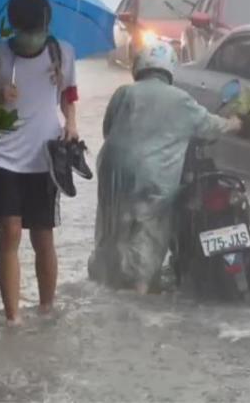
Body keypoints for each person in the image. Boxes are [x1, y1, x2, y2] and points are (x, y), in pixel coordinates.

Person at [89, 41, 242, 294]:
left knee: (113, 230)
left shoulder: (124, 93)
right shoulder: (180, 100)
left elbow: (108, 130)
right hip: (153, 177)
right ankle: (140, 290)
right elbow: (210, 126)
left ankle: (107, 282)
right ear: (170, 69)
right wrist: (235, 123)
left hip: (112, 171)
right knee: (149, 231)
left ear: (139, 68)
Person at [0, 0, 81, 326]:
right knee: (11, 231)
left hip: (43, 153)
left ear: (47, 25)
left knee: (43, 234)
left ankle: (47, 310)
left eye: (40, 29)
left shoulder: (60, 52)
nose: (34, 37)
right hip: (1, 154)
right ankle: (13, 319)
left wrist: (72, 123)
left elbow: (69, 96)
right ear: (14, 27)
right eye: (28, 30)